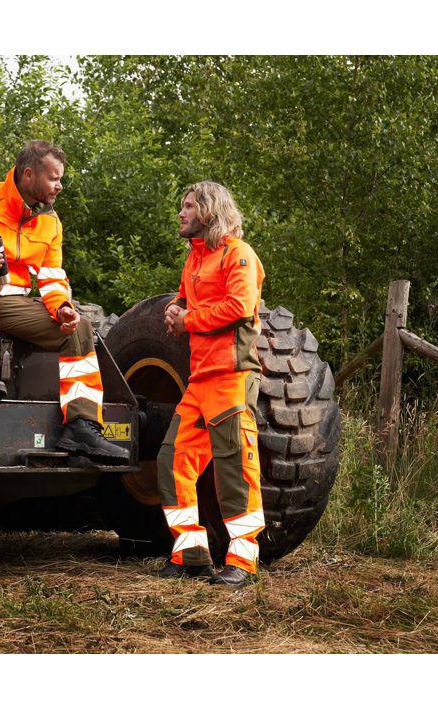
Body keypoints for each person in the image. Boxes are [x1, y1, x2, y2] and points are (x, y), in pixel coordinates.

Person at [0, 140, 128, 463]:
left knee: (78, 328)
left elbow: (53, 277)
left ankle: (81, 427)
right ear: (29, 174)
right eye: (54, 178)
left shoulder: (51, 222)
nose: (60, 185)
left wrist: (62, 307)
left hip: (12, 305)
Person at [156, 181, 265, 587]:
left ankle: (243, 562)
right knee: (171, 461)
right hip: (199, 380)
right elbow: (184, 299)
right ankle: (191, 554)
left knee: (236, 470)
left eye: (188, 206)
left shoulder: (239, 255)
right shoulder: (194, 258)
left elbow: (239, 306)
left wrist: (189, 321)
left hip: (232, 377)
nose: (181, 213)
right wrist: (174, 308)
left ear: (208, 211)